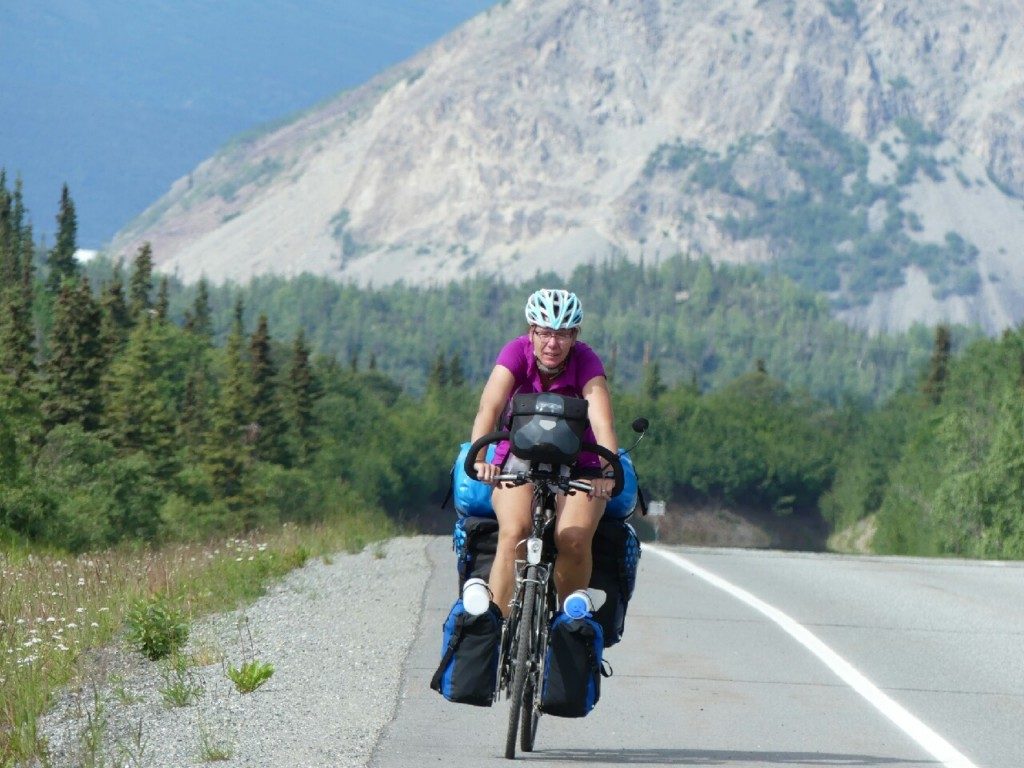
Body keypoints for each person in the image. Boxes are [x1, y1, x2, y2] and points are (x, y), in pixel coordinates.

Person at [469, 288, 619, 616]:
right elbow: (488, 408)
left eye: (562, 334)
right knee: (514, 533)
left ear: (574, 336)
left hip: (580, 462)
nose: (553, 343)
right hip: (519, 458)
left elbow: (603, 422)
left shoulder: (586, 361)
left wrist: (607, 473)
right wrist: (481, 461)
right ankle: (497, 624)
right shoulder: (515, 353)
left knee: (573, 539)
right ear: (531, 332)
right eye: (545, 333)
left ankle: (570, 624)